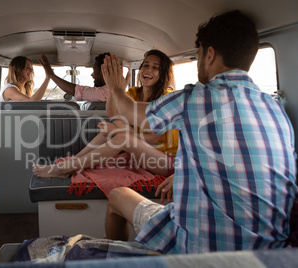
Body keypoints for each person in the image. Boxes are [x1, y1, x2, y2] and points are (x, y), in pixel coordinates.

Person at [102, 10, 297, 253]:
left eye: (198, 54)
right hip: (269, 252)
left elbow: (132, 114)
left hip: (200, 249)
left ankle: (126, 258)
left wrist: (116, 88)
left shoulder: (193, 98)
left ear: (210, 54)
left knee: (117, 196)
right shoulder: (276, 109)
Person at [32, 49, 178, 190]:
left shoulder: (167, 97)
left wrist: (117, 131)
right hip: (145, 153)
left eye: (155, 68)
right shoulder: (134, 93)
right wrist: (113, 87)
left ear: (163, 73)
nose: (148, 70)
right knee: (117, 124)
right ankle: (73, 161)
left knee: (121, 136)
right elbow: (113, 114)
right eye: (146, 65)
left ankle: (67, 168)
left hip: (167, 161)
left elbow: (153, 139)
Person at [39, 53, 110, 102]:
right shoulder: (113, 90)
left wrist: (51, 75)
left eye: (94, 70)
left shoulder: (108, 91)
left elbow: (77, 91)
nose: (92, 75)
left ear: (103, 71)